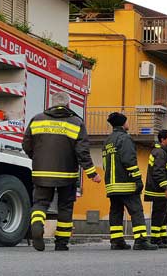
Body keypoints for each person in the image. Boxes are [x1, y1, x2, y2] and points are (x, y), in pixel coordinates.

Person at [22, 91, 101, 252]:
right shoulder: (76, 122)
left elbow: (26, 144)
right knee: (65, 207)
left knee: (40, 203)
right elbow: (82, 152)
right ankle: (61, 243)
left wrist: (37, 158)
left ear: (52, 103)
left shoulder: (37, 119)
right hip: (67, 174)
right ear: (68, 104)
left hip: (41, 172)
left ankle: (37, 224)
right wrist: (92, 173)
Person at [102, 112, 158, 251]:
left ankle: (117, 241)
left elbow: (105, 164)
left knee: (116, 212)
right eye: (126, 121)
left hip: (112, 185)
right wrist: (137, 179)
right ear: (123, 123)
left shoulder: (107, 141)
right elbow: (129, 160)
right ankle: (140, 240)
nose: (128, 123)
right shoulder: (125, 138)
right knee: (136, 211)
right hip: (126, 183)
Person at [144, 129, 167, 249]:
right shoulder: (160, 153)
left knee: (163, 215)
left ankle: (162, 239)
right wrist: (166, 188)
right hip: (159, 192)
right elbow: (158, 172)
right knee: (159, 215)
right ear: (163, 139)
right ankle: (155, 239)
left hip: (161, 192)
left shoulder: (163, 152)